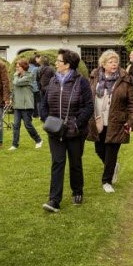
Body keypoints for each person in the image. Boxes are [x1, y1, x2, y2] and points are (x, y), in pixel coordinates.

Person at [40, 49, 93, 212]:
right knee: (57, 162)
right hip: (55, 131)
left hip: (75, 131)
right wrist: (46, 119)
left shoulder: (81, 82)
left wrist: (76, 123)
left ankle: (77, 191)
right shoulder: (53, 81)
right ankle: (54, 200)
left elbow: (89, 106)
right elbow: (44, 104)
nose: (56, 63)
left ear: (68, 65)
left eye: (59, 61)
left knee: (75, 162)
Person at [88, 50, 133, 193]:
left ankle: (107, 181)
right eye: (110, 62)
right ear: (103, 64)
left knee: (111, 152)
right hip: (98, 120)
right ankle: (113, 166)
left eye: (116, 62)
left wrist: (131, 121)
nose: (114, 64)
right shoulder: (94, 77)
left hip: (117, 122)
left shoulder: (125, 80)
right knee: (99, 150)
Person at [10, 59, 43, 150]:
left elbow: (17, 83)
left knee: (28, 125)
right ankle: (14, 144)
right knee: (16, 125)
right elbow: (14, 88)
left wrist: (15, 76)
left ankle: (38, 140)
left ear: (23, 67)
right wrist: (11, 98)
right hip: (17, 105)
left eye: (18, 67)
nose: (16, 68)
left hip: (26, 105)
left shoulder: (29, 76)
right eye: (16, 67)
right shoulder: (17, 76)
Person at [37, 55, 54, 119]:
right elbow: (54, 77)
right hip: (49, 88)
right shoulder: (51, 69)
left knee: (42, 103)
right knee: (49, 103)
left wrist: (40, 85)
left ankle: (42, 116)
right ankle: (49, 116)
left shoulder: (39, 69)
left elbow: (37, 79)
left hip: (42, 87)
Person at [28, 54, 41, 118]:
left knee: (32, 101)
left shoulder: (28, 66)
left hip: (29, 86)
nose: (40, 60)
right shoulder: (36, 68)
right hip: (35, 87)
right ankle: (37, 114)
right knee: (38, 101)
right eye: (39, 58)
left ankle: (33, 114)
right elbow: (37, 78)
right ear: (35, 59)